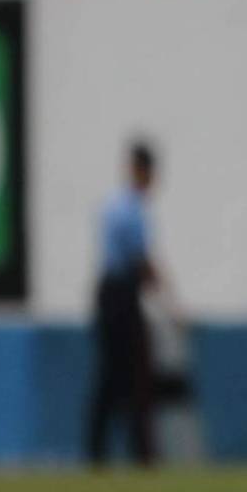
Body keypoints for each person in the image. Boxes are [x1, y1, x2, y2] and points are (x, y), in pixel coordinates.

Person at [85, 141, 167, 467]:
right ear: (143, 171)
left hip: (112, 293)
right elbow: (141, 260)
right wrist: (170, 301)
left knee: (113, 375)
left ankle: (101, 451)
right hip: (120, 295)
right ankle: (136, 453)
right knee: (128, 375)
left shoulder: (115, 206)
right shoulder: (129, 210)